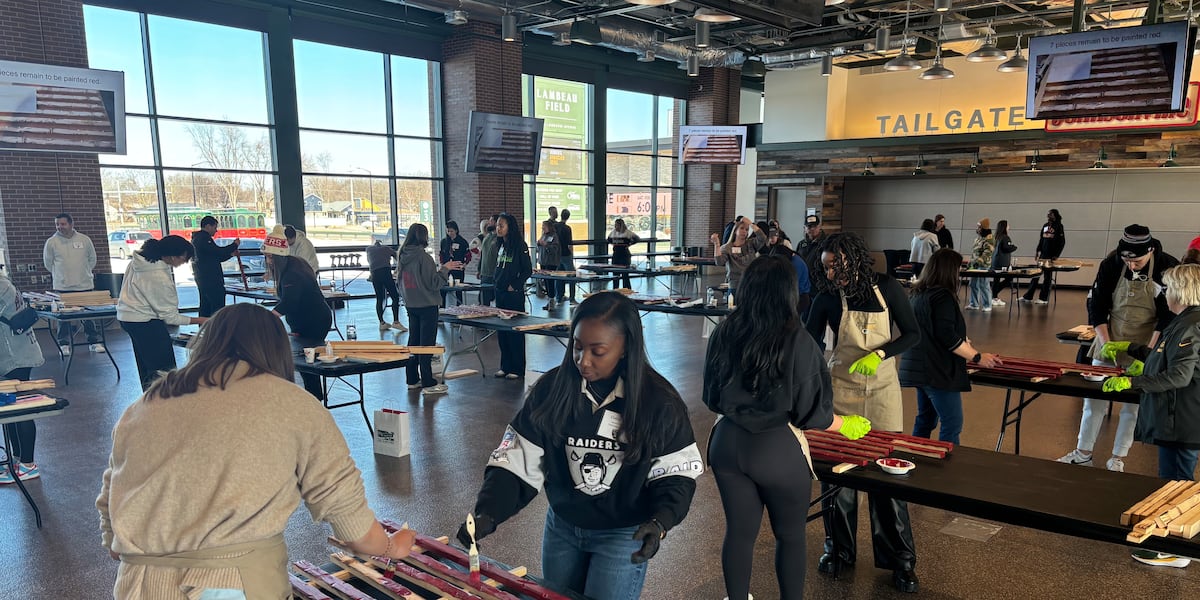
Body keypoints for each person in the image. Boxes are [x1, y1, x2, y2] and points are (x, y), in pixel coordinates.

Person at [97, 303, 418, 599]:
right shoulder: (292, 404)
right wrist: (392, 546)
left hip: (137, 584)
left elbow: (111, 498)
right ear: (276, 350)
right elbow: (350, 521)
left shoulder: (146, 404)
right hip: (228, 585)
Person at [456, 293, 702, 600]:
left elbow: (675, 473)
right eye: (577, 346)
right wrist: (489, 512)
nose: (583, 361)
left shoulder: (659, 403)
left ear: (626, 348)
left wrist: (661, 520)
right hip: (563, 527)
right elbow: (518, 457)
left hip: (623, 533)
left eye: (598, 351)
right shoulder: (552, 390)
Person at [704, 256, 871, 600]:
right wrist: (846, 424)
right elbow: (815, 416)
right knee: (791, 535)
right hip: (777, 450)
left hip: (727, 444)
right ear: (788, 293)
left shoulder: (724, 331)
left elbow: (711, 397)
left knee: (738, 532)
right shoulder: (800, 340)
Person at [805, 232, 922, 594]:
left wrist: (881, 355)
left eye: (836, 265)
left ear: (853, 259)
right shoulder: (826, 298)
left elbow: (913, 334)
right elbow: (807, 343)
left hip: (883, 389)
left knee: (887, 475)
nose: (831, 272)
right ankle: (838, 551)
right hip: (842, 391)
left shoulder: (886, 287)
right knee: (839, 474)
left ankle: (900, 561)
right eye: (826, 267)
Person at [1099, 263, 1200, 569]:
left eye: (1168, 288)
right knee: (1172, 480)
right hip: (1175, 419)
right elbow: (1164, 356)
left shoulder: (1191, 325)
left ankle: (1177, 550)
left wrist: (1133, 382)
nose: (1164, 294)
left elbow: (1180, 376)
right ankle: (1168, 543)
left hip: (1181, 420)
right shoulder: (1182, 321)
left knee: (1177, 484)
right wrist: (1133, 349)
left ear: (1180, 292)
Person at [1058, 225, 1179, 472]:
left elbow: (1168, 316)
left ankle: (1118, 458)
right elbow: (1097, 303)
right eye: (1127, 260)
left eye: (1137, 261)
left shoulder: (1168, 266)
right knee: (1095, 399)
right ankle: (1083, 452)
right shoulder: (1112, 264)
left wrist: (1148, 354)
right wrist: (1106, 343)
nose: (1132, 265)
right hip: (1112, 335)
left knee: (1132, 405)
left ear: (1151, 250)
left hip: (1148, 339)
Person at [900, 249, 1001, 446]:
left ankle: (915, 456)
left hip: (920, 368)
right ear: (949, 271)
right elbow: (946, 336)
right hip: (937, 371)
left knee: (925, 419)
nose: (959, 275)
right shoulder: (942, 296)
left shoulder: (918, 294)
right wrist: (977, 356)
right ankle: (948, 467)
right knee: (952, 423)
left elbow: (932, 330)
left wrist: (964, 341)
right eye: (958, 270)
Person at [118, 236, 206, 391]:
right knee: (164, 370)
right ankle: (163, 404)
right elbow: (171, 317)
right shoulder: (158, 275)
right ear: (172, 255)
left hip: (128, 318)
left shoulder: (138, 262)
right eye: (184, 258)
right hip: (146, 322)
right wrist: (203, 320)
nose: (184, 263)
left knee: (147, 366)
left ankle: (149, 401)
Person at [263, 225, 331, 400]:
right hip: (303, 320)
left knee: (308, 362)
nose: (268, 261)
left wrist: (266, 318)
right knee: (305, 362)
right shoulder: (292, 264)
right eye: (266, 257)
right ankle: (314, 397)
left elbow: (289, 302)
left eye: (270, 257)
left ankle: (315, 398)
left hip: (314, 321)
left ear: (279, 256)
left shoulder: (292, 272)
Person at [398, 223, 460, 396]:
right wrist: (445, 269)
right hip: (427, 304)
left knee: (414, 341)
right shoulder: (423, 258)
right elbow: (434, 283)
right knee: (426, 344)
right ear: (424, 237)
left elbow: (399, 282)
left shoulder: (402, 256)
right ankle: (428, 381)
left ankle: (411, 378)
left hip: (411, 304)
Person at [0, 267, 46, 485]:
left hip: (15, 356)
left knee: (20, 409)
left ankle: (27, 464)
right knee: (10, 407)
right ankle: (17, 460)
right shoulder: (3, 281)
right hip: (16, 352)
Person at [43, 212, 102, 355]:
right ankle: (63, 344)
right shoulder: (52, 242)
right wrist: (61, 275)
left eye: (62, 224)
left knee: (88, 316)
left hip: (84, 285)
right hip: (63, 287)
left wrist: (84, 272)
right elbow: (48, 263)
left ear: (71, 224)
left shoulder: (84, 239)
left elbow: (92, 259)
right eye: (57, 224)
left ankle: (93, 342)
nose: (59, 227)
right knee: (63, 318)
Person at [493, 213, 532, 379]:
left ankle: (517, 368)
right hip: (500, 292)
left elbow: (527, 270)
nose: (498, 228)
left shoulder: (520, 245)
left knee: (514, 331)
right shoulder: (501, 245)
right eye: (497, 225)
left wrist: (514, 285)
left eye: (502, 225)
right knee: (502, 331)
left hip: (513, 295)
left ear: (510, 227)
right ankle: (505, 365)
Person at [191, 216, 240, 318]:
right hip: (211, 279)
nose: (216, 230)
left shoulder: (197, 239)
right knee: (216, 306)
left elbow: (215, 257)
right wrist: (234, 245)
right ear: (208, 226)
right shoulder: (203, 239)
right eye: (214, 227)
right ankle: (216, 329)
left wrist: (230, 255)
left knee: (206, 305)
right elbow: (217, 252)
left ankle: (205, 329)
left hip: (203, 278)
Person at [1021, 208, 1065, 304]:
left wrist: (1056, 255)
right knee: (1035, 275)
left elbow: (1062, 242)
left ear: (1055, 215)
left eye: (1051, 214)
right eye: (1048, 214)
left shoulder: (1059, 226)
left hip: (1050, 256)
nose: (1048, 216)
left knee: (1047, 277)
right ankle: (1028, 296)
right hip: (1043, 255)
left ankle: (1044, 298)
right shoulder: (1045, 226)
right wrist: (1037, 251)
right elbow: (1041, 239)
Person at [712, 217, 764, 295]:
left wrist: (751, 224)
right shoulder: (727, 247)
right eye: (742, 228)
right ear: (735, 230)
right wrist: (717, 245)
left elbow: (762, 238)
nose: (744, 231)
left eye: (746, 230)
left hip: (752, 283)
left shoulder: (751, 243)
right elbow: (719, 262)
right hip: (735, 286)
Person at [366, 240, 404, 331]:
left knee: (379, 298)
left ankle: (382, 322)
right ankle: (396, 322)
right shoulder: (387, 249)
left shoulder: (368, 249)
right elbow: (398, 257)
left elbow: (370, 261)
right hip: (385, 273)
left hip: (374, 274)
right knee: (395, 297)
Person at [966, 219, 995, 312]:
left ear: (983, 228)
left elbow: (987, 253)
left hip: (984, 265)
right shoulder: (978, 238)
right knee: (973, 284)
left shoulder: (990, 239)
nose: (977, 229)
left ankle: (987, 305)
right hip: (974, 265)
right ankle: (974, 304)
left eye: (979, 227)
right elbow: (974, 252)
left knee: (983, 284)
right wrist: (971, 262)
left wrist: (977, 261)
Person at [439, 220, 470, 306]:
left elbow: (468, 254)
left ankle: (459, 306)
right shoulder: (444, 242)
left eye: (451, 231)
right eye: (448, 231)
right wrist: (442, 263)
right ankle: (442, 307)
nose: (450, 233)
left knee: (458, 289)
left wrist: (465, 264)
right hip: (446, 268)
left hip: (458, 268)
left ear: (456, 230)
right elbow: (441, 254)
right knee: (443, 288)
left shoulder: (462, 242)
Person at [989, 219, 1017, 307]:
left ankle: (994, 296)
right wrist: (1014, 247)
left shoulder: (996, 237)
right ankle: (994, 294)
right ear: (1004, 227)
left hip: (995, 262)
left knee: (996, 280)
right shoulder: (1005, 237)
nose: (1009, 227)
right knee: (1009, 278)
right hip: (1001, 263)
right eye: (1008, 225)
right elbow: (1007, 248)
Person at [607, 218, 640, 290]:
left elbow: (637, 239)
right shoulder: (613, 232)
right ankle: (615, 290)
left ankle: (627, 290)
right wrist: (613, 244)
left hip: (624, 255)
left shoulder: (628, 233)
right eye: (615, 225)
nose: (616, 227)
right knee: (615, 274)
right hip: (616, 254)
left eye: (617, 225)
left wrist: (629, 244)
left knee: (625, 274)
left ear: (621, 225)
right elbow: (608, 239)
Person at [537, 221, 564, 308]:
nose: (543, 228)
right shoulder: (544, 235)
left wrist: (546, 245)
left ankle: (552, 300)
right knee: (545, 281)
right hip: (543, 261)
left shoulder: (554, 236)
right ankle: (549, 300)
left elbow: (555, 249)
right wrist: (539, 244)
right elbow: (539, 247)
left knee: (550, 282)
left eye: (544, 226)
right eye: (542, 226)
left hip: (550, 262)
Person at [478, 215, 500, 306]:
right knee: (483, 300)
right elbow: (482, 254)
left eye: (491, 221)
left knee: (496, 298)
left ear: (496, 223)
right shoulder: (487, 237)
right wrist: (479, 269)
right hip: (484, 273)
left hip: (493, 273)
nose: (488, 223)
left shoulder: (498, 238)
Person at [557, 209, 577, 304]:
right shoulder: (567, 228)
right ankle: (572, 298)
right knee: (572, 276)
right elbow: (569, 244)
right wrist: (571, 254)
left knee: (558, 276)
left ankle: (559, 297)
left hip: (557, 256)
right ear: (568, 217)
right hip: (566, 255)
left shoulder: (554, 226)